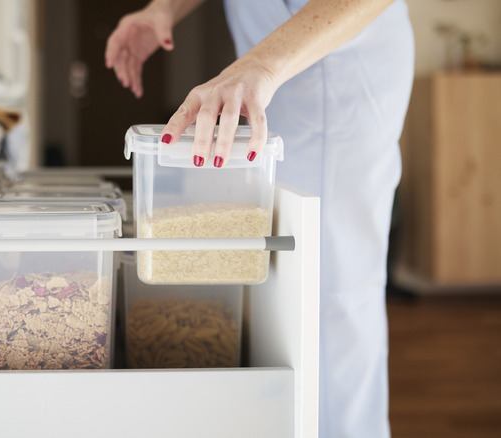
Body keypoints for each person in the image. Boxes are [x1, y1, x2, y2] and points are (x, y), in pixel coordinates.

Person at [105, 0, 414, 436]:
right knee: (278, 291)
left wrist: (261, 68)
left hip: (339, 65)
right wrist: (165, 9)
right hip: (264, 64)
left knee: (332, 295)